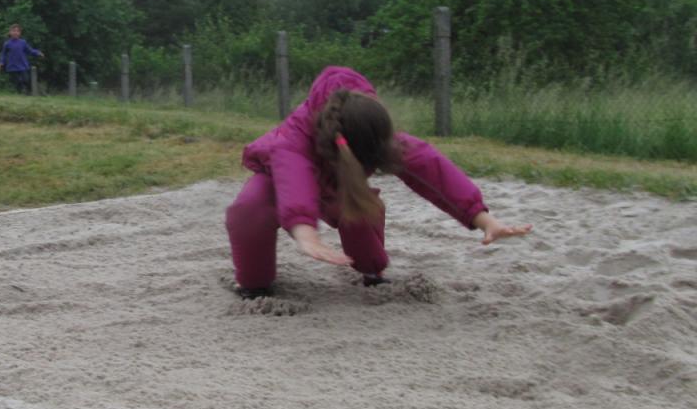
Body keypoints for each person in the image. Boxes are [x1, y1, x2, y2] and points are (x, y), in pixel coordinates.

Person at [226, 66, 532, 297]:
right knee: (249, 209)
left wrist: (484, 219)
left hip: (342, 190)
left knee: (361, 212)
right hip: (280, 185)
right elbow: (295, 179)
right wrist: (306, 234)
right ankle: (254, 285)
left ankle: (372, 271)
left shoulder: (373, 132)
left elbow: (434, 172)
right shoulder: (293, 139)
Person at [0, 22, 43, 94]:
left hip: (23, 66)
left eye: (17, 31)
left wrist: (38, 53)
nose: (15, 33)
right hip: (12, 67)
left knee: (26, 80)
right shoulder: (7, 44)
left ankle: (29, 93)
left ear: (20, 33)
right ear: (10, 32)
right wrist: (1, 62)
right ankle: (20, 94)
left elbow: (30, 50)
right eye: (13, 31)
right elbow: (3, 54)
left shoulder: (23, 42)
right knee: (17, 83)